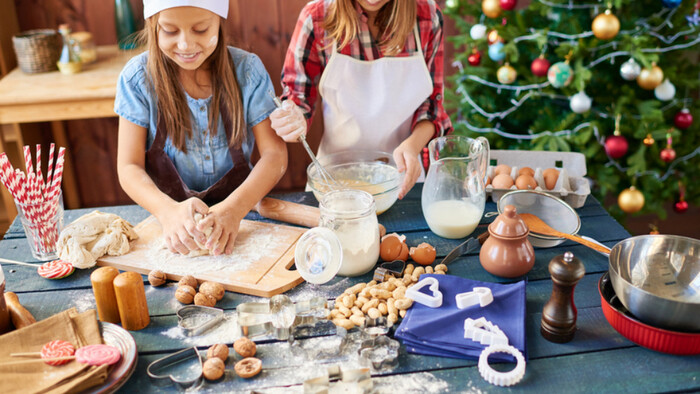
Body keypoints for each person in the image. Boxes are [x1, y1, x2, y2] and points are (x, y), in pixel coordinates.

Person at [115, 0, 287, 256]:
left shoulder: (248, 71)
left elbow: (275, 156)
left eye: (201, 29)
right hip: (168, 226)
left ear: (219, 22)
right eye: (170, 31)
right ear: (153, 26)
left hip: (243, 218)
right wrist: (168, 211)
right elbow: (128, 168)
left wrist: (233, 210)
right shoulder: (137, 79)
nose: (185, 45)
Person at [270, 0, 452, 199]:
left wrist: (412, 146)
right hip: (334, 179)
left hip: (404, 176)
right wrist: (292, 117)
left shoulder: (427, 15)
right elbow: (298, 95)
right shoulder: (316, 17)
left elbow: (432, 105)